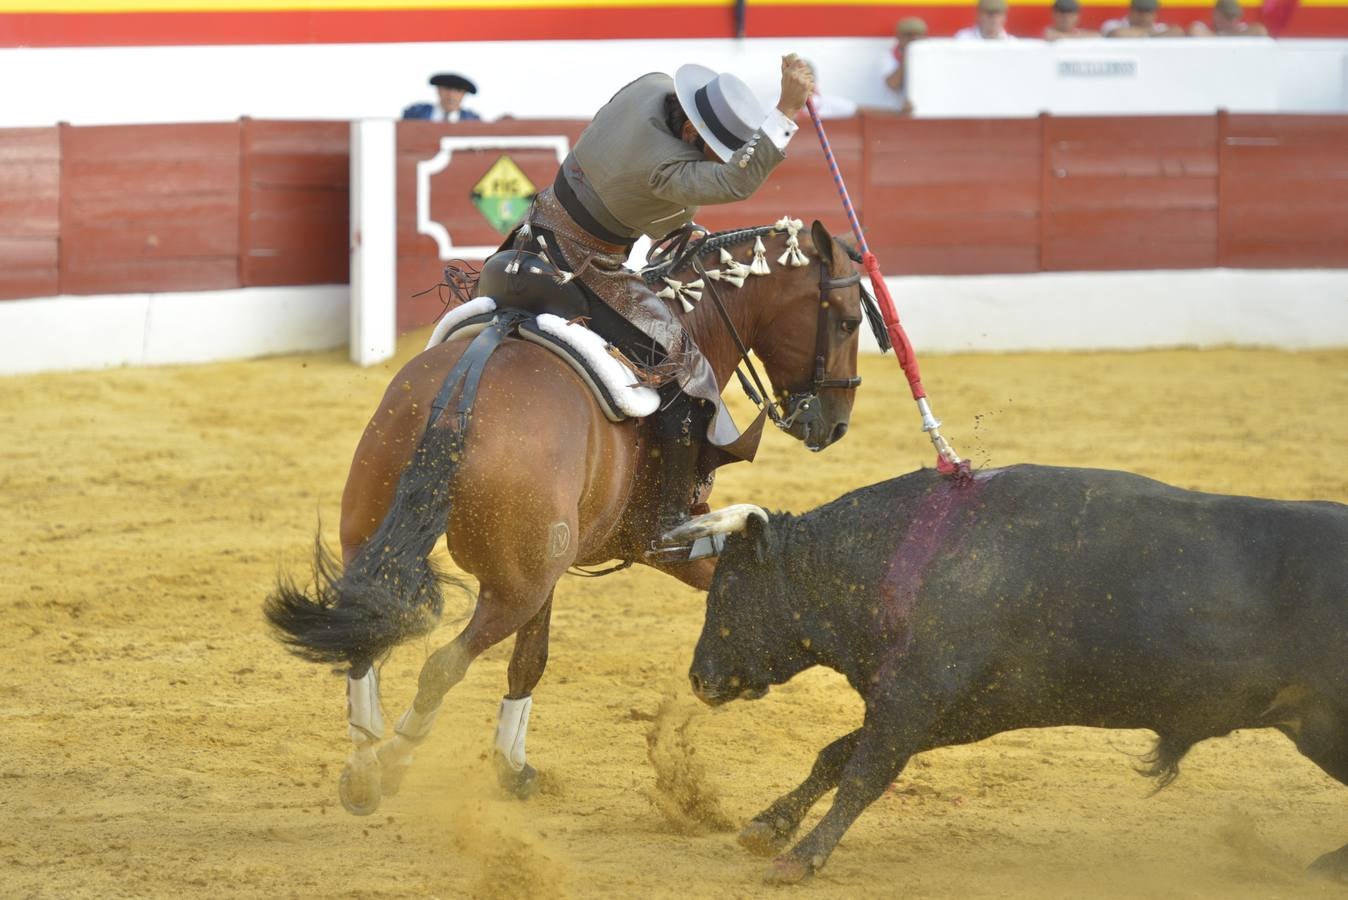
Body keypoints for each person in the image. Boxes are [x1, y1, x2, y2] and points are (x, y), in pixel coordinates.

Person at [501, 56, 814, 525]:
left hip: (530, 234)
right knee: (683, 367)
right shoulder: (662, 168)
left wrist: (676, 222)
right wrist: (787, 109)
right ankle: (665, 516)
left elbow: (633, 180)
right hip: (584, 266)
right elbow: (735, 182)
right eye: (712, 150)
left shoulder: (648, 87)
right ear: (691, 131)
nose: (715, 163)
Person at [882, 17, 928, 115]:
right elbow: (893, 84)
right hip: (897, 112)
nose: (914, 39)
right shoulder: (889, 57)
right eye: (908, 35)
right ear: (899, 37)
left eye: (918, 35)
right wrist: (908, 56)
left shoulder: (931, 56)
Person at [402, 73, 482, 122]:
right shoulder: (415, 114)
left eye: (458, 91)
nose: (451, 95)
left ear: (464, 94)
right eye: (447, 89)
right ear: (438, 90)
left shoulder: (473, 120)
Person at [1102, 0, 1184, 36]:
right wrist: (1152, 34)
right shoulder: (1113, 24)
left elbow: (1178, 31)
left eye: (1148, 12)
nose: (1144, 16)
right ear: (1131, 11)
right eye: (1140, 11)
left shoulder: (1159, 28)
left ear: (1155, 14)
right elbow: (1117, 34)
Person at [1189, 0, 1269, 35]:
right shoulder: (1205, 27)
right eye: (1229, 17)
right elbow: (1194, 31)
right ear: (1216, 15)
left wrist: (1231, 36)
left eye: (1236, 17)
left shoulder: (1241, 28)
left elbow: (1261, 30)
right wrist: (1223, 37)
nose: (1233, 22)